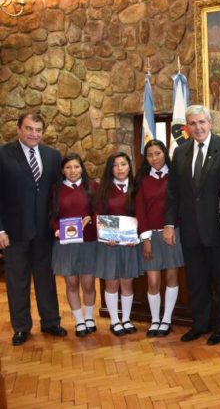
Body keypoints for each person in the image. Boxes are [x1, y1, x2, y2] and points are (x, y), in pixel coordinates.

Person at [164, 105, 220, 345]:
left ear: (210, 123)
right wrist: (169, 223)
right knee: (196, 281)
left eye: (201, 122)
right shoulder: (180, 153)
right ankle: (200, 324)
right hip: (190, 230)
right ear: (187, 127)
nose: (197, 127)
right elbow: (173, 193)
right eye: (193, 123)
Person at [0, 112, 66, 346]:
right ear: (18, 129)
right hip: (14, 232)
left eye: (38, 130)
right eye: (29, 129)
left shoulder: (52, 156)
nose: (34, 134)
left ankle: (50, 321)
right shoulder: (3, 154)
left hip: (44, 231)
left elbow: (60, 193)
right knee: (17, 281)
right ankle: (21, 327)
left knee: (46, 278)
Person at [135, 140, 184, 338]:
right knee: (153, 281)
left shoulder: (175, 177)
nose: (155, 158)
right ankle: (155, 319)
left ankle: (166, 319)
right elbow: (140, 211)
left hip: (172, 234)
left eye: (158, 153)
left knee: (172, 277)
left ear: (164, 154)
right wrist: (145, 239)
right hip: (151, 236)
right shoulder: (143, 180)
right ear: (146, 158)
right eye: (150, 155)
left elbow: (179, 205)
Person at [94, 152, 143, 336]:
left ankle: (127, 319)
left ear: (129, 167)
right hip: (110, 245)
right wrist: (106, 236)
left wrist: (135, 237)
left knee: (127, 283)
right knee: (112, 283)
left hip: (130, 245)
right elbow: (98, 215)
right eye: (115, 165)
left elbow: (141, 215)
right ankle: (115, 321)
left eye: (123, 164)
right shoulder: (104, 189)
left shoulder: (136, 188)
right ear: (110, 169)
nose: (120, 168)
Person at [49, 153, 98, 337]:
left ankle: (89, 317)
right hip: (65, 244)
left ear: (82, 168)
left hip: (88, 242)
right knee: (71, 283)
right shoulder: (55, 190)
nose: (73, 171)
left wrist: (91, 219)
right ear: (63, 170)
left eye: (76, 167)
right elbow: (51, 215)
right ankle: (79, 321)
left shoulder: (93, 187)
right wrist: (56, 229)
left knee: (88, 284)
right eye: (68, 167)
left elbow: (99, 211)